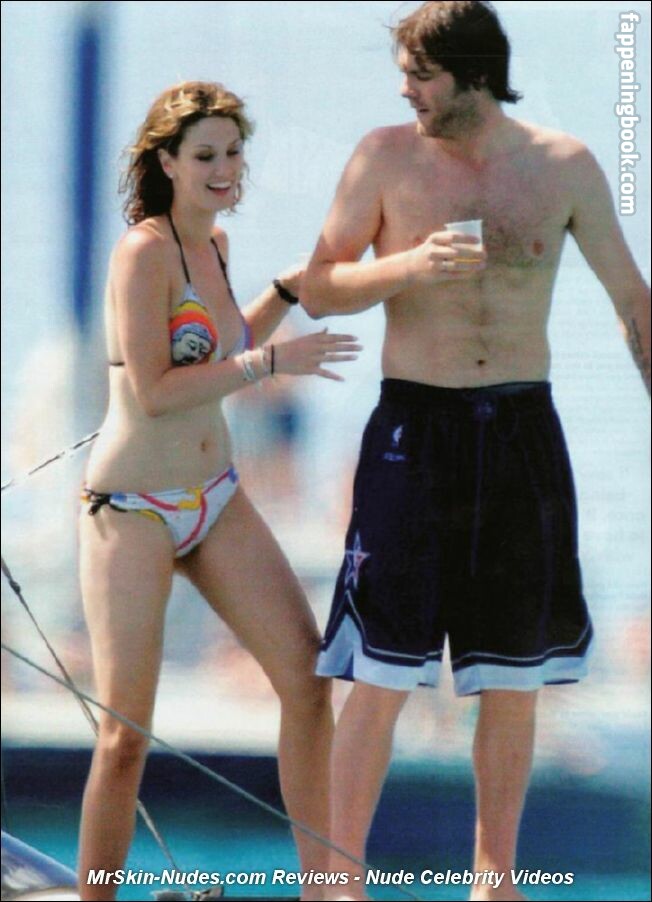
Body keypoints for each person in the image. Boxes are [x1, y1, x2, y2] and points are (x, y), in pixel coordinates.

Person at [301, 2, 650, 900]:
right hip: (414, 431)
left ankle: (495, 880)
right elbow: (320, 286)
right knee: (380, 670)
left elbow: (633, 301)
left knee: (514, 674)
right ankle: (341, 880)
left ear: (475, 75)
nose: (405, 91)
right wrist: (406, 268)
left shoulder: (564, 165)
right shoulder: (383, 157)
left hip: (523, 432)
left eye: (421, 75)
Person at [77, 80, 361, 902]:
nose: (224, 168)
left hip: (214, 495)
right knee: (124, 737)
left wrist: (285, 293)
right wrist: (271, 363)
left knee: (307, 679)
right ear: (167, 162)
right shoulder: (143, 253)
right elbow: (156, 389)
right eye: (205, 154)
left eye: (234, 152)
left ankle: (322, 890)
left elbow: (222, 343)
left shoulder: (217, 245)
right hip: (132, 508)